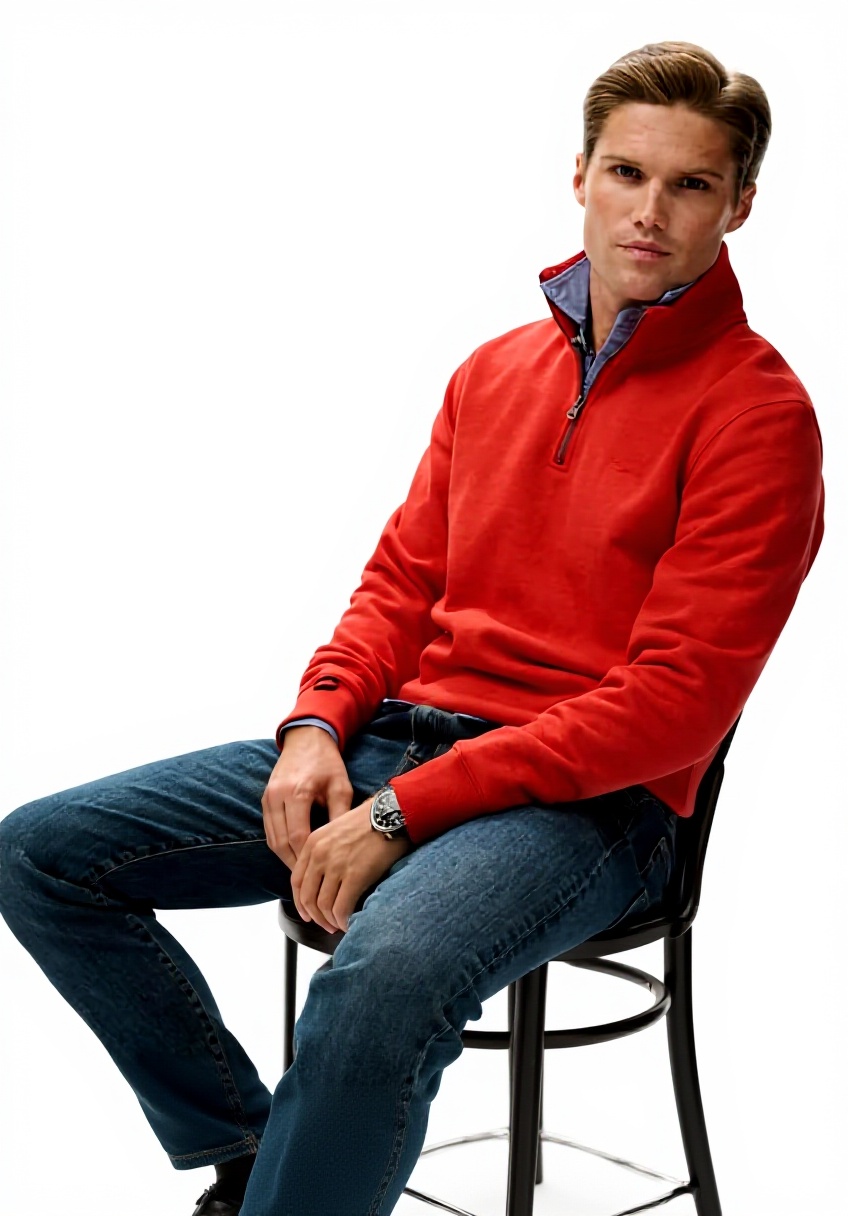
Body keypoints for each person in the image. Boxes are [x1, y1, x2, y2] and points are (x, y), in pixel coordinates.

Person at [0, 38, 825, 1216]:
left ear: (737, 204)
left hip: (591, 806)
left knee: (383, 974)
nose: (649, 210)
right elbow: (398, 585)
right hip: (401, 740)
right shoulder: (491, 372)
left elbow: (669, 707)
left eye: (689, 184)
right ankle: (257, 1159)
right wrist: (314, 727)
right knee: (42, 854)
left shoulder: (757, 416)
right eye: (626, 173)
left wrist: (403, 812)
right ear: (579, 176)